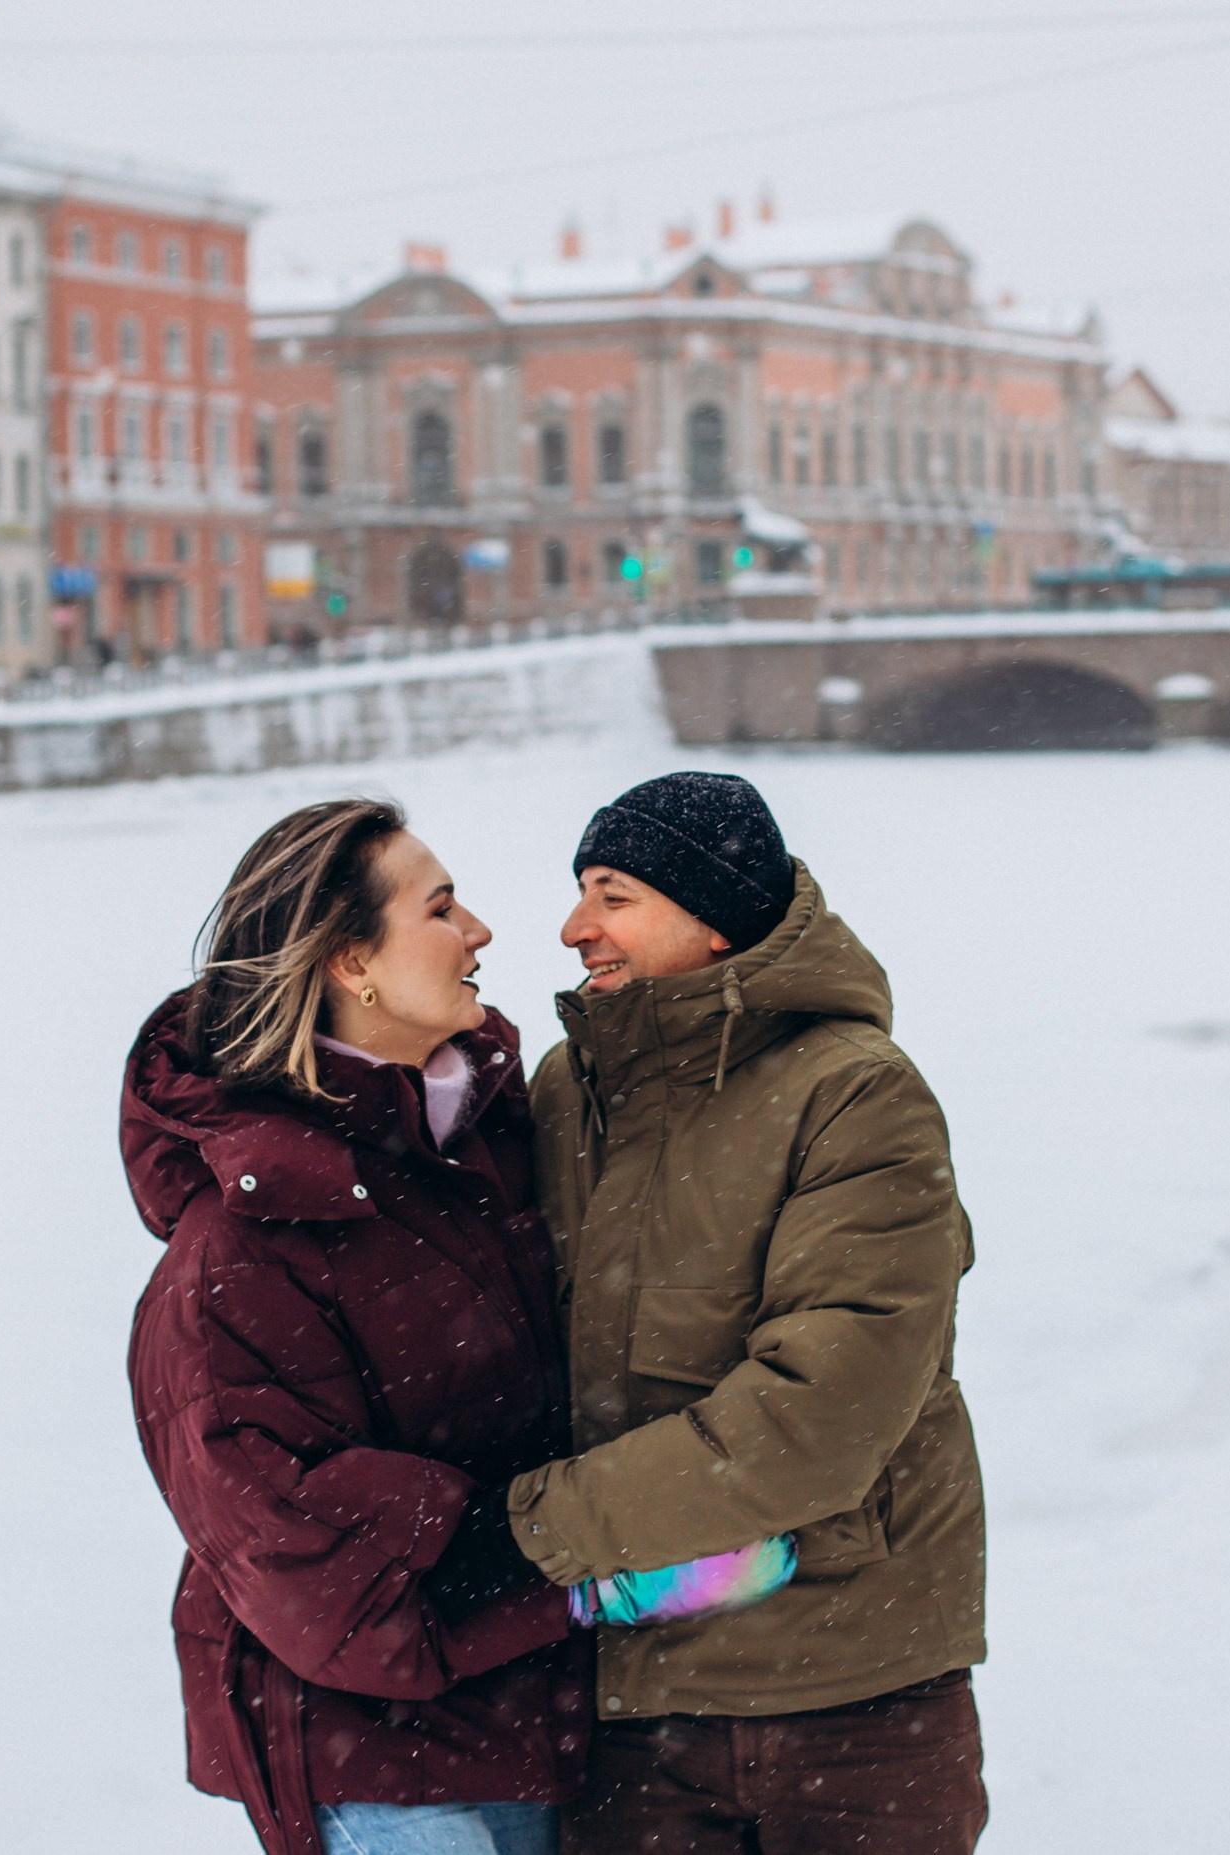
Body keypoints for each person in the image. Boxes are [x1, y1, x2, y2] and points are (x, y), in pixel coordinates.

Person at [120, 798, 794, 1855]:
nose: (480, 929)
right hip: (379, 1765)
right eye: (440, 908)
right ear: (353, 961)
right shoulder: (237, 1251)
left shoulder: (488, 1147)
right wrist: (591, 1576)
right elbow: (306, 1557)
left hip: (532, 1727)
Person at [506, 771, 990, 1854]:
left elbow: (819, 1421)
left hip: (855, 1705)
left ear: (714, 917)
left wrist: (523, 1533)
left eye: (612, 893)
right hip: (633, 1720)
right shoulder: (565, 1090)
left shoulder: (856, 1093)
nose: (575, 927)